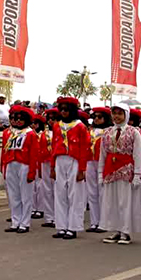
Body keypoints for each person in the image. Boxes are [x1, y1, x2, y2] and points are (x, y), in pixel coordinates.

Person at [99, 104, 141, 245]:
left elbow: (138, 154)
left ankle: (125, 231)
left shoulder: (133, 132)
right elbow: (102, 154)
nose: (117, 116)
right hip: (110, 170)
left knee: (124, 201)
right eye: (114, 113)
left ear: (126, 115)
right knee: (111, 201)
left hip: (126, 170)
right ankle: (115, 229)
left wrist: (137, 174)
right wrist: (100, 173)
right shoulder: (106, 132)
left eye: (120, 113)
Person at [51, 97, 90, 240]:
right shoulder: (57, 126)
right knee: (60, 194)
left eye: (66, 109)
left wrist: (82, 169)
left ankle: (73, 227)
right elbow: (54, 148)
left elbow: (84, 149)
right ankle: (61, 226)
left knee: (75, 194)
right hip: (60, 160)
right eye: (61, 109)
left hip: (74, 160)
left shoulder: (80, 126)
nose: (63, 112)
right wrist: (52, 167)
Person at [1, 106, 38, 234]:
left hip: (24, 165)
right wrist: (4, 168)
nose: (18, 121)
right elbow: (5, 153)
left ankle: (25, 223)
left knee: (25, 196)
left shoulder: (30, 134)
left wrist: (32, 172)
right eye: (16, 119)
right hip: (11, 164)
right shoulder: (10, 133)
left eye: (21, 119)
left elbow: (34, 155)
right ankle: (15, 221)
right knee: (13, 195)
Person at [87, 107, 112, 233]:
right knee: (92, 192)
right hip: (90, 162)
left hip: (103, 163)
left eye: (99, 117)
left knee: (103, 193)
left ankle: (104, 222)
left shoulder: (110, 131)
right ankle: (94, 222)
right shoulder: (90, 131)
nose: (96, 119)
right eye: (94, 117)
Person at [39, 108, 58, 228]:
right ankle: (49, 217)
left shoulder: (61, 131)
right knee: (46, 190)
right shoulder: (43, 133)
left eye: (53, 119)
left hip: (56, 163)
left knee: (57, 190)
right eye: (49, 119)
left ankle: (57, 217)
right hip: (45, 163)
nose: (51, 121)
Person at [31, 114, 46, 220]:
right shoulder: (30, 134)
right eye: (32, 123)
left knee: (40, 187)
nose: (33, 125)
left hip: (41, 162)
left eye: (35, 123)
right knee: (32, 187)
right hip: (33, 162)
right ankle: (33, 208)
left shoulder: (43, 135)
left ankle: (41, 209)